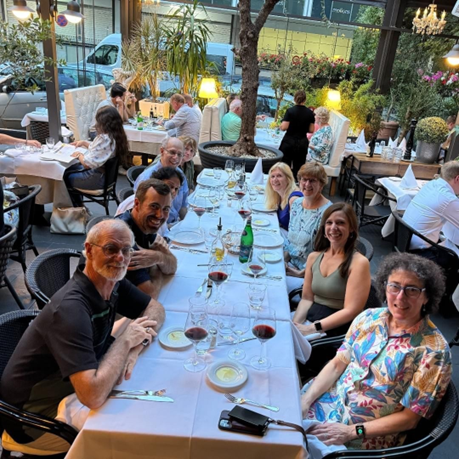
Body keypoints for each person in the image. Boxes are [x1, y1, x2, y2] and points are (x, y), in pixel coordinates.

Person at [0, 220, 165, 455]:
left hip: (70, 389)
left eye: (126, 250)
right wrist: (125, 341)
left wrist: (138, 345)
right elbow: (93, 396)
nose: (120, 257)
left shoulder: (111, 282)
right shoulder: (71, 310)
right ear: (88, 250)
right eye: (110, 249)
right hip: (34, 418)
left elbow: (156, 309)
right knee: (138, 436)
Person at [301, 253, 452, 451]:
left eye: (412, 290)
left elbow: (409, 419)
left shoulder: (433, 352)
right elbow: (338, 364)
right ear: (384, 286)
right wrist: (306, 400)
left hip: (362, 435)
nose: (400, 296)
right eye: (394, 286)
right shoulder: (369, 318)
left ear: (427, 296)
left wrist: (352, 431)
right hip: (326, 400)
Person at [293, 203, 371, 338]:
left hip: (336, 328)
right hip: (312, 317)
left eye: (340, 223)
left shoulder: (359, 263)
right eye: (329, 223)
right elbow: (306, 298)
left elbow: (351, 311)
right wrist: (295, 325)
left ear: (351, 229)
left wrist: (312, 328)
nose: (333, 228)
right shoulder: (314, 257)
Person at [117, 179, 177, 300]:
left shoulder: (143, 225)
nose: (160, 215)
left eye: (166, 209)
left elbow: (172, 267)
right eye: (154, 206)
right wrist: (156, 268)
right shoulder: (123, 237)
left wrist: (157, 257)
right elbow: (150, 295)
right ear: (137, 204)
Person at [64, 106, 130, 207]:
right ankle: (80, 207)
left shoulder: (105, 138)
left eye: (98, 121)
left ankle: (76, 209)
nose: (96, 124)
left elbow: (87, 164)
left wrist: (79, 155)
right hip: (106, 178)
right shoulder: (115, 136)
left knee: (64, 177)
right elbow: (99, 151)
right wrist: (84, 143)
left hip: (97, 179)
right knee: (70, 170)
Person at [284, 163, 332, 292]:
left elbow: (329, 254)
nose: (307, 184)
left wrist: (300, 273)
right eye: (304, 179)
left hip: (310, 276)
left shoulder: (328, 213)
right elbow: (291, 242)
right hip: (290, 266)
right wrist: (283, 261)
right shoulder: (297, 204)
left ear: (321, 185)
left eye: (312, 181)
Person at [134, 137, 188, 223]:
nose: (175, 157)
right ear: (162, 151)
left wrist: (186, 224)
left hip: (175, 224)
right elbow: (142, 214)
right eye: (172, 152)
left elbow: (183, 206)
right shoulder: (147, 179)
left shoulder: (179, 174)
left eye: (179, 154)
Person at [279, 90, 315, 176]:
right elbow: (311, 129)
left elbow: (284, 127)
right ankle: (296, 184)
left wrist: (280, 126)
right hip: (302, 142)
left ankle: (285, 184)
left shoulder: (290, 111)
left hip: (289, 141)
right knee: (298, 167)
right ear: (305, 100)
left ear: (295, 99)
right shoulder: (310, 113)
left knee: (284, 166)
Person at [265, 162, 302, 231]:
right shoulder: (279, 193)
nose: (275, 180)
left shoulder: (294, 199)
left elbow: (298, 230)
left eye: (279, 176)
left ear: (288, 179)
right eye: (272, 176)